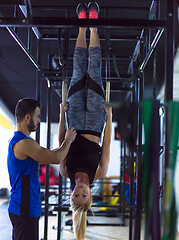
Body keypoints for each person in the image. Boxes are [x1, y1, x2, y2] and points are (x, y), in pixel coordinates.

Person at [58, 2, 112, 240]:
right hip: (95, 121)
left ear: (71, 195)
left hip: (74, 117)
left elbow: (60, 141)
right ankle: (94, 27)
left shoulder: (64, 170)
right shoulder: (99, 172)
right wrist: (109, 119)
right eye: (84, 196)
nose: (80, 190)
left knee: (79, 70)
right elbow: (107, 143)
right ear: (91, 195)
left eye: (76, 195)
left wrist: (61, 114)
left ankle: (82, 25)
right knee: (95, 69)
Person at [7, 97, 76, 240]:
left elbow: (53, 153)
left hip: (24, 207)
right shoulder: (24, 143)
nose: (38, 120)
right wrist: (68, 140)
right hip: (24, 208)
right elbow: (57, 158)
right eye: (37, 116)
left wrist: (62, 116)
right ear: (27, 117)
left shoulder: (21, 141)